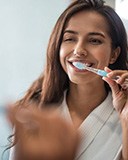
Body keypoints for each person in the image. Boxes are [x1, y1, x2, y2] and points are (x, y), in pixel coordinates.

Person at [8, 0, 128, 159]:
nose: (79, 50)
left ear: (114, 54)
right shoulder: (33, 113)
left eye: (94, 40)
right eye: (70, 38)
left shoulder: (123, 116)